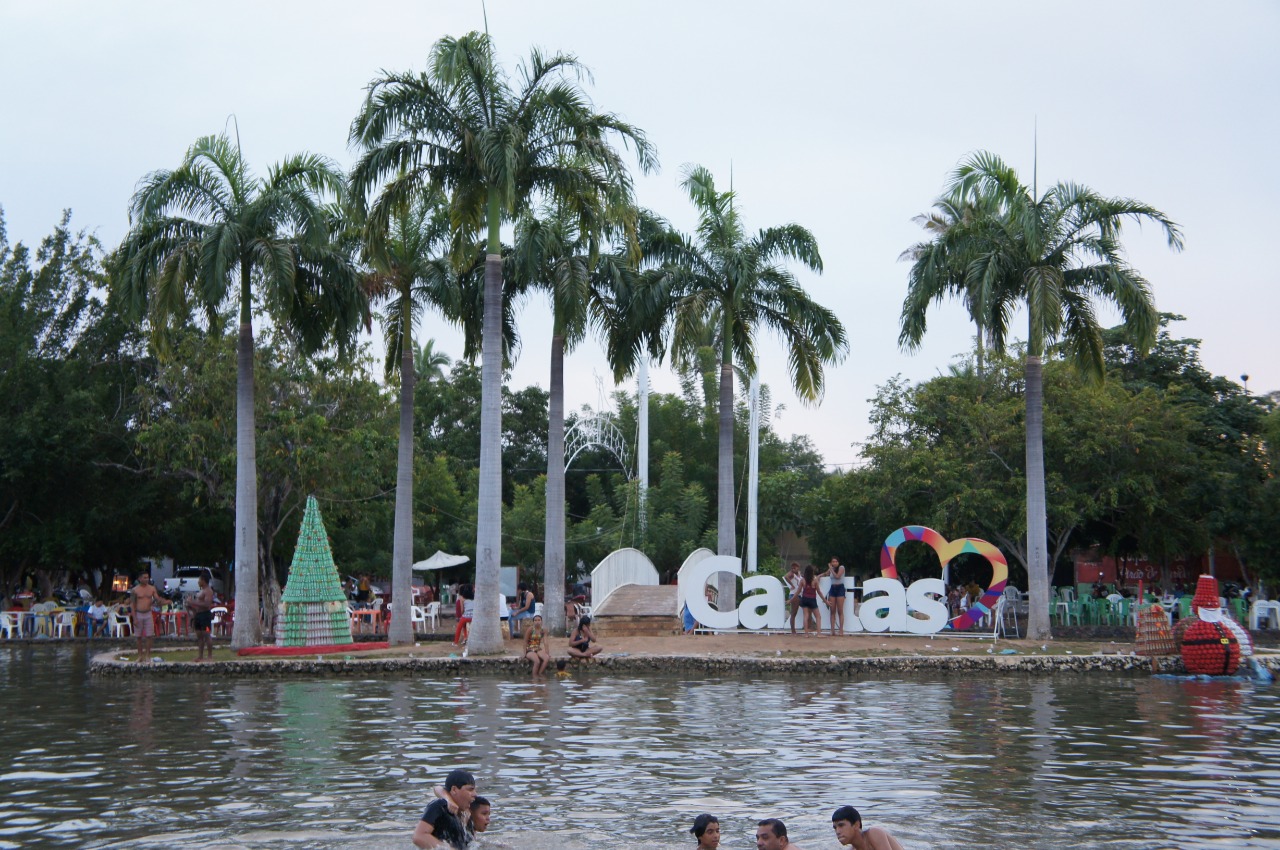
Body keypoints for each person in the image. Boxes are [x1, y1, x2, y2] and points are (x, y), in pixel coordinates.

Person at [414, 768, 477, 848]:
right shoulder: (440, 806)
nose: (475, 794)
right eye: (470, 789)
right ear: (454, 790)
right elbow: (419, 836)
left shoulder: (466, 813)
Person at [831, 805, 905, 850]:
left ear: (856, 825)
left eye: (841, 825)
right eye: (835, 828)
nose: (837, 832)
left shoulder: (874, 833)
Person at [128, 572, 159, 663]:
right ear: (140, 579)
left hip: (148, 613)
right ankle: (140, 656)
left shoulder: (152, 588)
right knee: (138, 636)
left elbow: (157, 598)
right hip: (138, 613)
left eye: (147, 577)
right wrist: (134, 618)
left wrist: (158, 601)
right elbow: (132, 604)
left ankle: (148, 656)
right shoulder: (135, 590)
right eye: (144, 577)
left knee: (149, 636)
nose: (146, 579)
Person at [188, 573, 216, 661]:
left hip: (205, 616)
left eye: (199, 580)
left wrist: (192, 602)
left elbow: (207, 604)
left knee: (207, 635)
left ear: (203, 580)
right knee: (199, 636)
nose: (198, 582)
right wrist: (190, 606)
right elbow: (198, 604)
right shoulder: (201, 591)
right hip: (198, 615)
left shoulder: (208, 591)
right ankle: (200, 656)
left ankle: (210, 656)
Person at [799, 565, 825, 638]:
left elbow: (798, 591)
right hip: (812, 599)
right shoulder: (815, 580)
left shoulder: (802, 580)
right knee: (818, 616)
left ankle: (806, 633)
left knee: (806, 616)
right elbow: (819, 592)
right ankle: (819, 633)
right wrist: (825, 601)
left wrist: (791, 600)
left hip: (804, 599)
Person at [825, 557, 847, 636]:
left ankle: (841, 630)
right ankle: (832, 630)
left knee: (840, 610)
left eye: (836, 561)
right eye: (833, 562)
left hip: (840, 588)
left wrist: (831, 569)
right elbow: (826, 574)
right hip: (832, 588)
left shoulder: (841, 567)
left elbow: (837, 576)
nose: (834, 563)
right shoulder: (831, 569)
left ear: (838, 562)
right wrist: (819, 576)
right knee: (832, 610)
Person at [784, 563, 804, 634]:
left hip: (800, 594)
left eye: (795, 568)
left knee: (807, 609)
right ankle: (793, 630)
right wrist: (791, 585)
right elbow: (786, 577)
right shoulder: (791, 574)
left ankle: (807, 626)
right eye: (793, 568)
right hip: (794, 594)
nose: (794, 569)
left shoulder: (798, 574)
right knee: (793, 613)